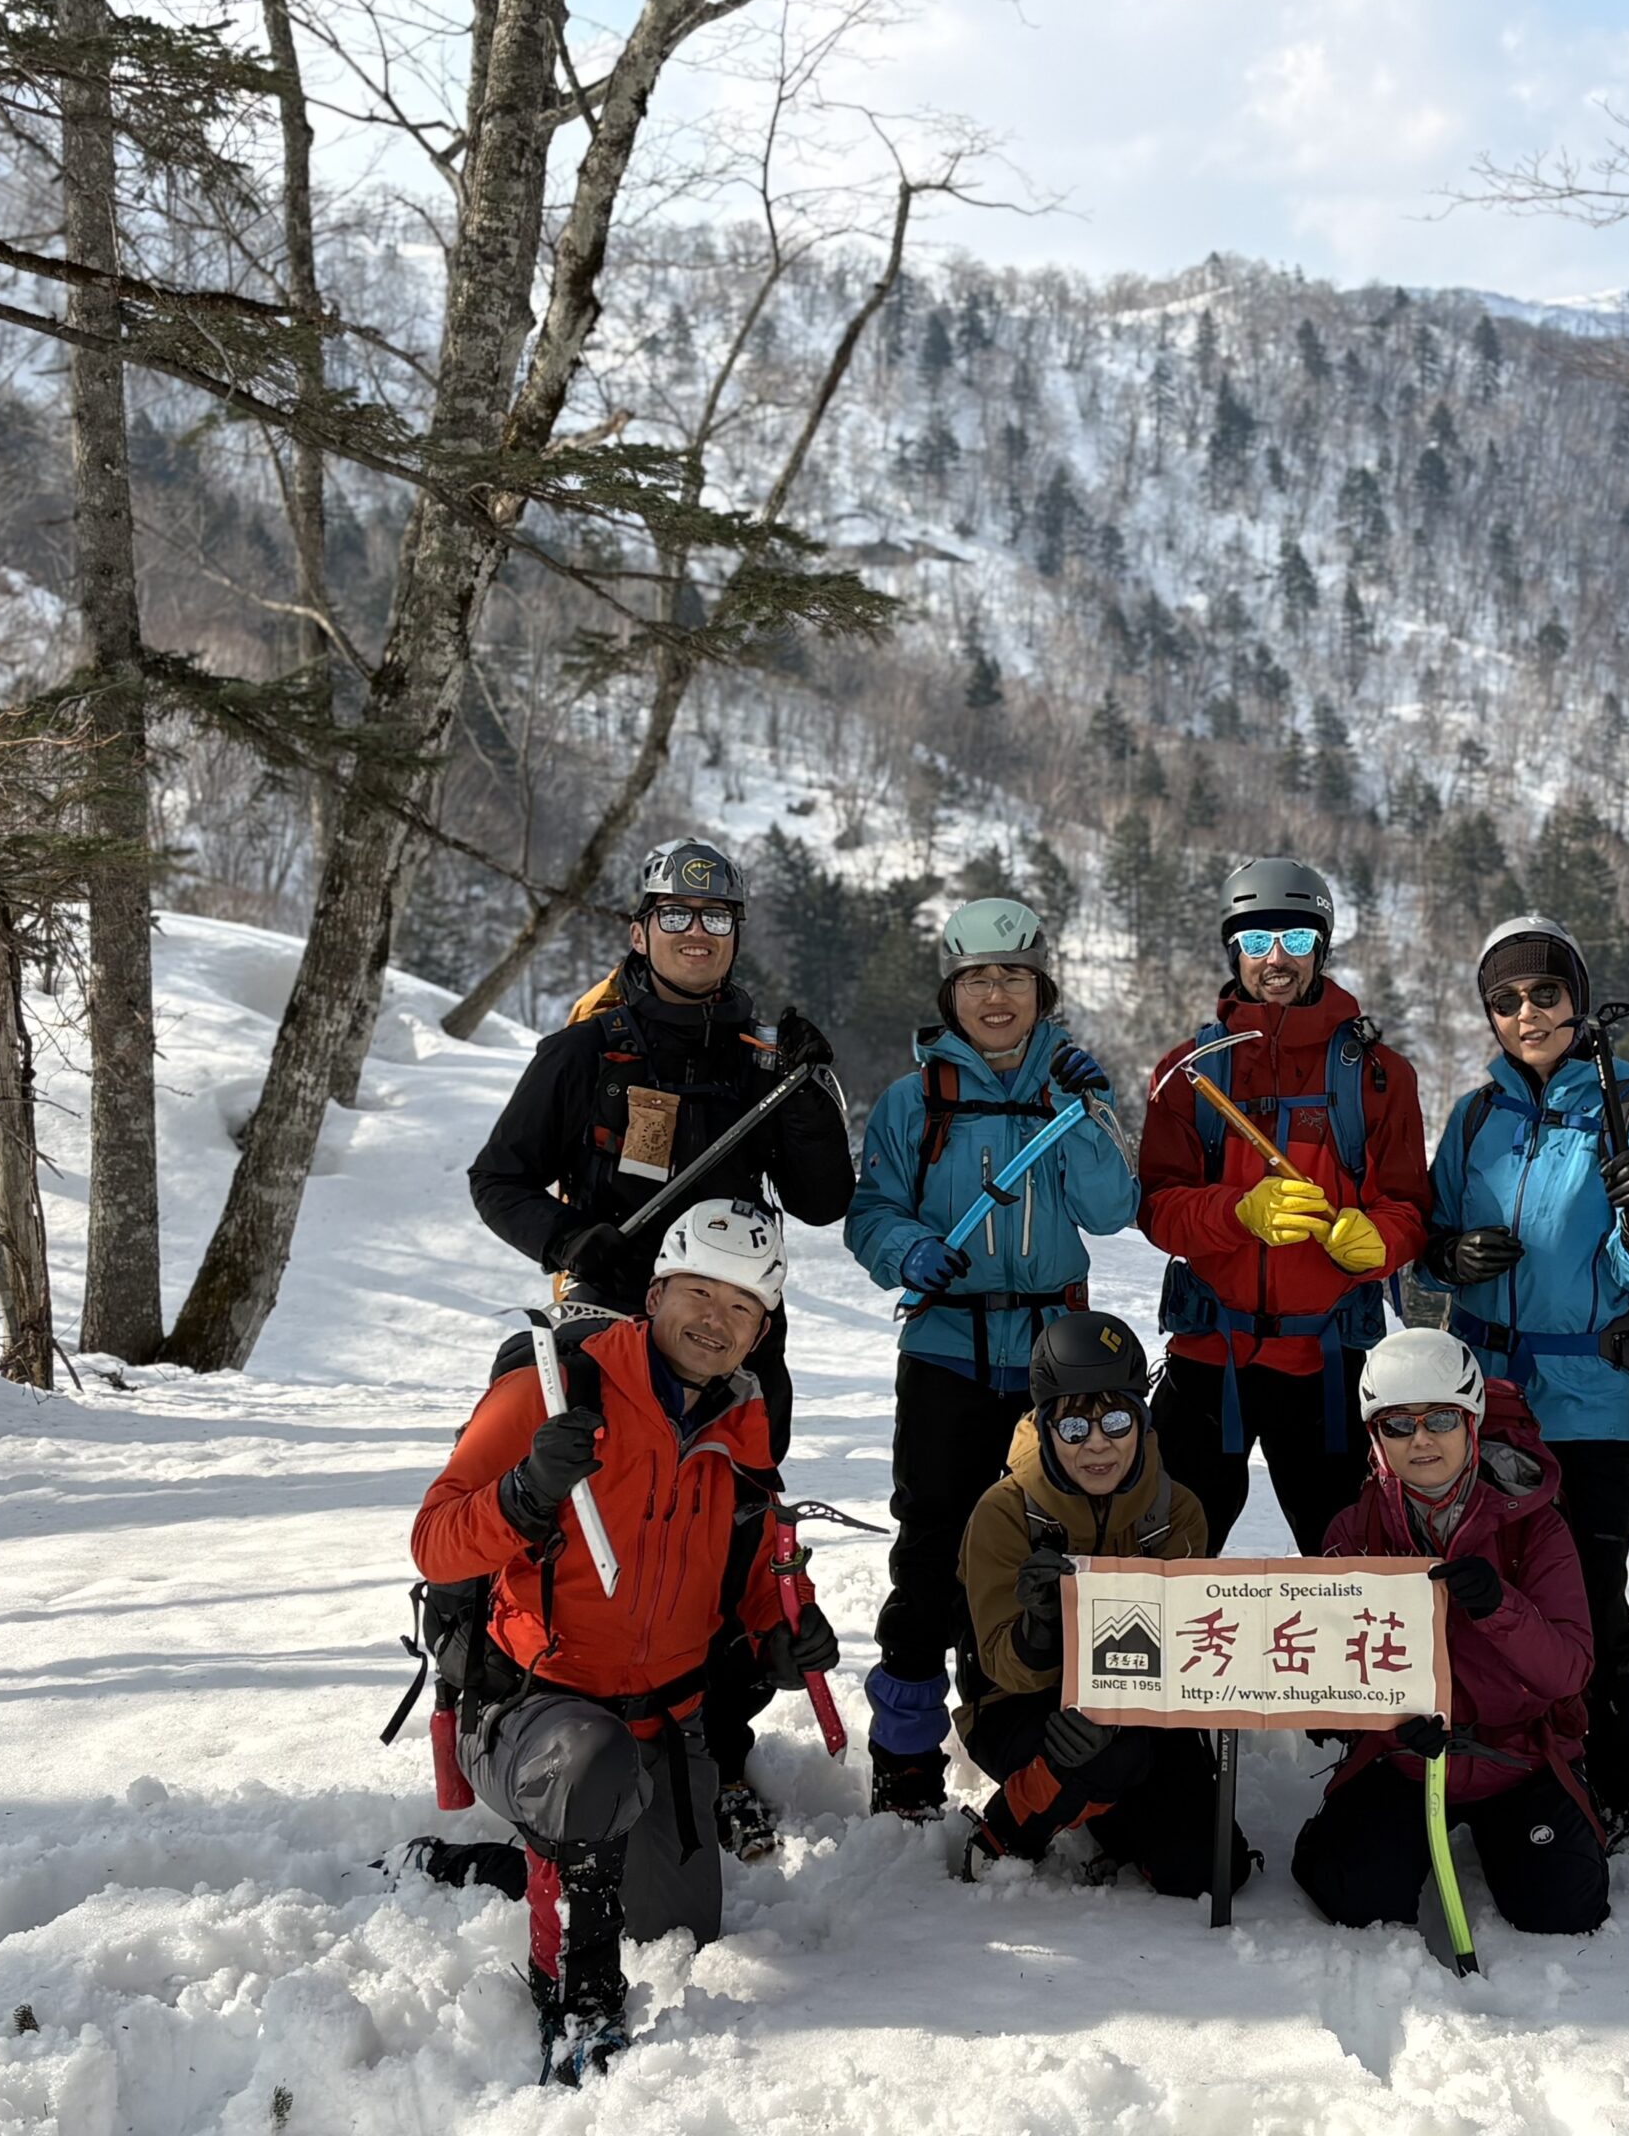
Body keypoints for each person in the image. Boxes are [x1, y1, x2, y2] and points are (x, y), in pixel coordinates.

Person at [467, 837, 853, 1862]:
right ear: (638, 931)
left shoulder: (762, 1065)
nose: (695, 932)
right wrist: (566, 1240)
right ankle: (553, 1732)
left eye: (715, 918)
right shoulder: (585, 1055)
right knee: (606, 1538)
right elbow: (496, 1177)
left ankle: (714, 1751)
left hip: (735, 1344)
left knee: (728, 1541)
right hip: (612, 1335)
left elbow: (824, 1200)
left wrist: (812, 1095)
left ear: (733, 938)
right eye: (674, 915)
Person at [408, 1200, 841, 2087]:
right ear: (655, 1292)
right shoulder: (553, 1389)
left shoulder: (738, 1428)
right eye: (699, 1292)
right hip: (536, 1710)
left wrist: (782, 1635)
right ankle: (582, 1993)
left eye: (742, 1308)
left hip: (664, 1722)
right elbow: (435, 1539)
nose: (715, 1320)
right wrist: (526, 1492)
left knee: (681, 1932)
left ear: (762, 1332)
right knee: (587, 1763)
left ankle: (496, 1864)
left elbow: (753, 1568)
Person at [843, 897, 1137, 1819]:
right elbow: (871, 1210)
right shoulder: (913, 1098)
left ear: (1042, 989)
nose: (996, 994)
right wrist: (905, 1251)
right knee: (932, 1546)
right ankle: (904, 1749)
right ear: (953, 991)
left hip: (1054, 1357)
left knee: (1043, 1550)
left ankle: (1021, 1727)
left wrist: (1083, 1114)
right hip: (946, 1351)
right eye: (978, 978)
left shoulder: (1073, 1090)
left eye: (1014, 976)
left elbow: (1111, 1209)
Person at [1419, 915, 1629, 1856]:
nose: (1527, 1014)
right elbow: (1426, 1254)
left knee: (1590, 1600)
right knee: (1476, 1590)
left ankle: (1624, 1781)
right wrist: (1450, 1253)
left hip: (1587, 1398)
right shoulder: (1476, 1118)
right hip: (1482, 1395)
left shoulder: (1625, 1110)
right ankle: (1489, 1753)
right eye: (1506, 1000)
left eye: (1544, 994)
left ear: (1575, 999)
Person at [1140, 857, 1431, 1554]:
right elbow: (1158, 1210)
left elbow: (1409, 1207)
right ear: (1232, 948)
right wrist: (1237, 1214)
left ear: (1321, 949)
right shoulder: (1188, 1074)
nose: (1277, 958)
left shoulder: (1380, 1077)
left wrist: (1380, 1240)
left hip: (1330, 1362)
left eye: (1297, 941)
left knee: (1354, 1570)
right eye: (1257, 940)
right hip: (1210, 1355)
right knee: (1164, 1560)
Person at [1292, 1327, 1608, 1937]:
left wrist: (1499, 1606)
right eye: (1397, 1424)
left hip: (1517, 1758)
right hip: (1405, 1761)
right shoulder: (1353, 1531)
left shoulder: (1536, 1527)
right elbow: (1323, 1678)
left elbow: (1568, 1670)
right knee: (1357, 1900)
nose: (1421, 1440)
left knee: (1564, 1907)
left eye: (1439, 1418)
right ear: (1375, 1437)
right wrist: (1378, 1720)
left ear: (1471, 1422)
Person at [952, 1310, 1246, 1896]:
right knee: (1108, 1753)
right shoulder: (1005, 1512)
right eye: (1073, 1428)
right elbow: (995, 1662)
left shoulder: (1177, 1508)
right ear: (1045, 1425)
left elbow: (1188, 1640)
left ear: (1141, 1419)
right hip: (1021, 1703)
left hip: (1144, 1703)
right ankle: (1009, 1829)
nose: (1097, 1445)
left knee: (1207, 1868)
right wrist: (1040, 1626)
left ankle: (1105, 1811)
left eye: (1115, 1420)